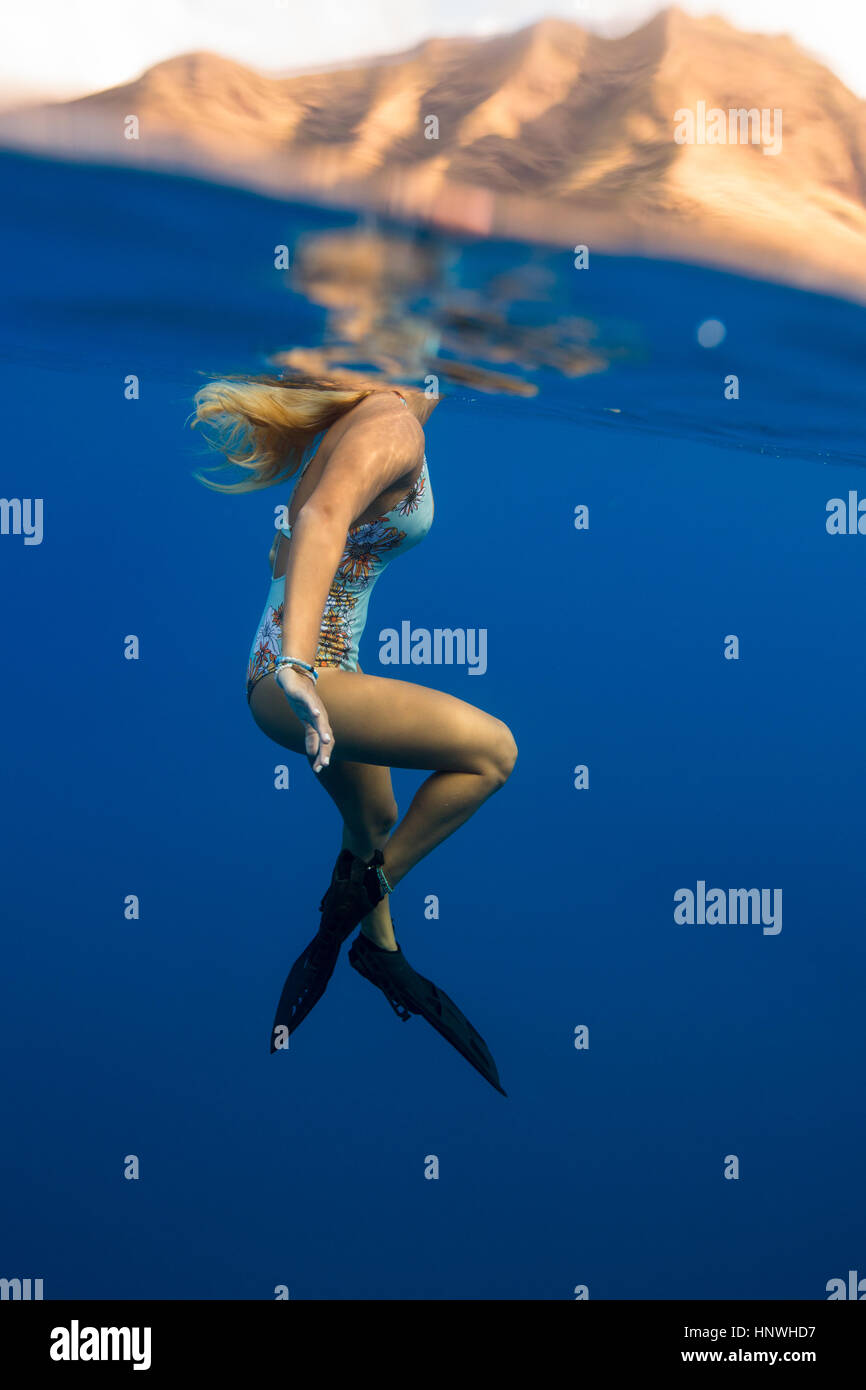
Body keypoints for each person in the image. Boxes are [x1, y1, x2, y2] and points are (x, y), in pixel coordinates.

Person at [192, 371, 517, 1093]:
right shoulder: (392, 424)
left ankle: (381, 951)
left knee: (375, 815)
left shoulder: (367, 415)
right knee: (495, 752)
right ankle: (353, 909)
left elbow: (300, 534)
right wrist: (301, 664)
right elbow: (323, 518)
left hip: (296, 666)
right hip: (307, 676)